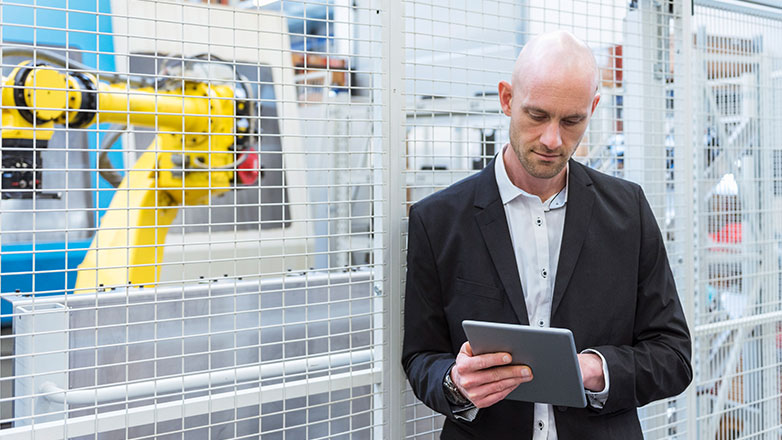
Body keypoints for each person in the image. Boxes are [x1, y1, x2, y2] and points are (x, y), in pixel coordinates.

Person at [401, 30, 692, 439]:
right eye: (537, 115)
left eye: (572, 120)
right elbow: (420, 356)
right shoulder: (439, 221)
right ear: (506, 99)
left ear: (592, 108)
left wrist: (595, 370)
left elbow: (674, 355)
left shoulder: (629, 212)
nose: (553, 140)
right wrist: (456, 383)